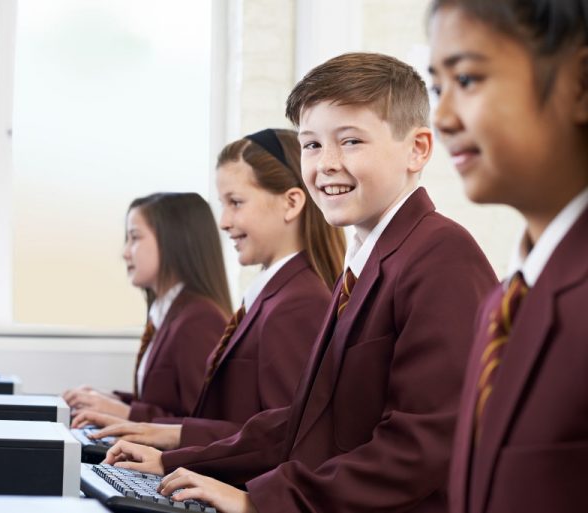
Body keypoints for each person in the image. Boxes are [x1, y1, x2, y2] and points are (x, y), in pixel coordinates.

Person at [103, 52, 498, 513]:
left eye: (350, 141)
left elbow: (423, 444)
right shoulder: (365, 263)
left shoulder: (441, 254)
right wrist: (175, 460)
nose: (326, 163)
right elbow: (306, 424)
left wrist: (261, 503)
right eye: (311, 145)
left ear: (418, 149)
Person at [73, 128, 345, 450]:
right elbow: (238, 421)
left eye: (236, 202)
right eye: (223, 204)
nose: (223, 221)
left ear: (291, 202)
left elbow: (284, 439)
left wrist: (163, 444)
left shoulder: (298, 303)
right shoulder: (274, 296)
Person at [428, 2, 588, 512]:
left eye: (468, 78)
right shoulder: (503, 302)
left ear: (580, 85)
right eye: (437, 87)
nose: (443, 117)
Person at [63, 192, 231, 422]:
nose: (125, 252)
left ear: (174, 240)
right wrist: (112, 400)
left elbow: (203, 426)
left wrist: (126, 413)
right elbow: (163, 403)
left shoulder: (200, 319)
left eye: (135, 237)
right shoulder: (167, 312)